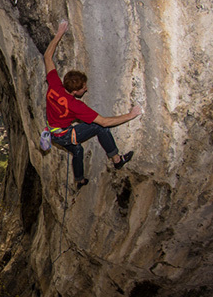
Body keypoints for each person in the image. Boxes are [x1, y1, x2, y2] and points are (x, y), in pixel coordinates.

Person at [43, 20, 142, 189]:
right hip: (65, 135)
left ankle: (80, 180)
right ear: (75, 92)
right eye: (84, 88)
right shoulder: (75, 105)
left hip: (53, 133)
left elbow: (47, 56)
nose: (86, 89)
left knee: (77, 151)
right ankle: (117, 160)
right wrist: (131, 115)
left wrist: (59, 32)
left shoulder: (54, 85)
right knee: (99, 129)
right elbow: (104, 122)